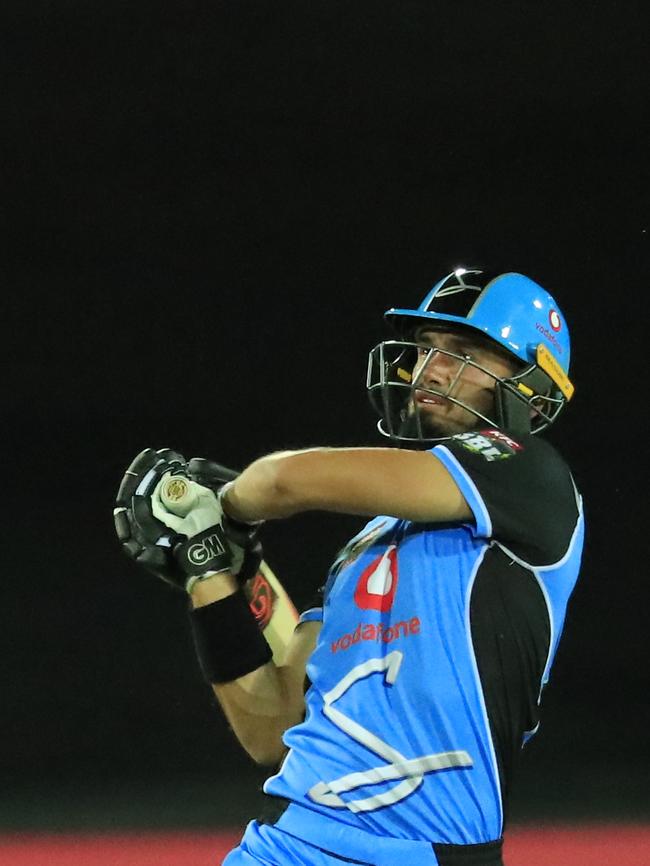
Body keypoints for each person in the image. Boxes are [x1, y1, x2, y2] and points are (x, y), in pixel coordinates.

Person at [114, 267, 585, 866]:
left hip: (424, 853)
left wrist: (222, 506)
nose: (429, 370)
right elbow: (270, 726)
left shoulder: (532, 478)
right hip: (286, 843)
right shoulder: (363, 547)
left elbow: (284, 481)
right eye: (425, 349)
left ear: (529, 383)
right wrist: (207, 568)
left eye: (464, 353)